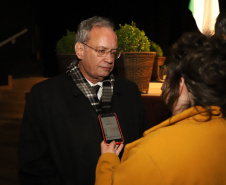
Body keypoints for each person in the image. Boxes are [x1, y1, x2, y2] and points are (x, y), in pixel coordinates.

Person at [18, 16, 148, 185]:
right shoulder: (44, 96)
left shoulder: (129, 92)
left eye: (113, 52)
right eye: (101, 51)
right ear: (80, 50)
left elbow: (142, 148)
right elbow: (33, 166)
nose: (109, 59)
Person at [95, 32, 226, 185]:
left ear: (181, 85)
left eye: (167, 77)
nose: (163, 86)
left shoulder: (150, 154)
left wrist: (107, 161)